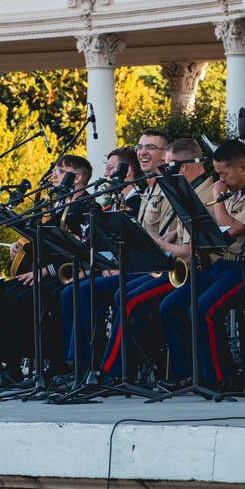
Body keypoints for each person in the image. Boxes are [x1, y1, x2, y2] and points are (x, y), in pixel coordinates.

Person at [159, 139, 245, 385]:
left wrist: (217, 197)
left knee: (202, 311)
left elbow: (227, 231)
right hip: (221, 267)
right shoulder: (237, 191)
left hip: (244, 268)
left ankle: (220, 378)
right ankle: (186, 374)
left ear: (244, 168)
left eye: (224, 173)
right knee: (170, 305)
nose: (221, 180)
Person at [97, 138, 214, 380]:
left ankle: (113, 371)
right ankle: (132, 367)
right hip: (174, 266)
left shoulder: (202, 193)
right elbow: (177, 232)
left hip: (192, 269)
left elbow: (189, 249)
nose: (163, 172)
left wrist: (159, 244)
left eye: (167, 166)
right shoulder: (188, 189)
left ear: (181, 167)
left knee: (131, 300)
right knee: (125, 297)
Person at [58, 128, 171, 375]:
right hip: (132, 266)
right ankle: (80, 364)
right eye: (140, 147)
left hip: (155, 269)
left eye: (150, 148)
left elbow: (157, 239)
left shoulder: (163, 188)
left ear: (166, 155)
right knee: (72, 293)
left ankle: (102, 368)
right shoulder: (149, 187)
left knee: (90, 292)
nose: (143, 152)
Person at [0, 154, 94, 376]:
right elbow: (43, 236)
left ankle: (34, 364)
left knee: (21, 298)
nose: (53, 176)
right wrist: (21, 244)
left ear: (75, 178)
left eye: (58, 171)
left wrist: (45, 271)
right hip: (43, 272)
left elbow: (84, 251)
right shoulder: (58, 203)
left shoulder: (86, 207)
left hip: (65, 274)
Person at [100, 147, 142, 216]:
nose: (105, 174)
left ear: (126, 171)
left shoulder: (140, 203)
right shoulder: (113, 204)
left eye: (110, 168)